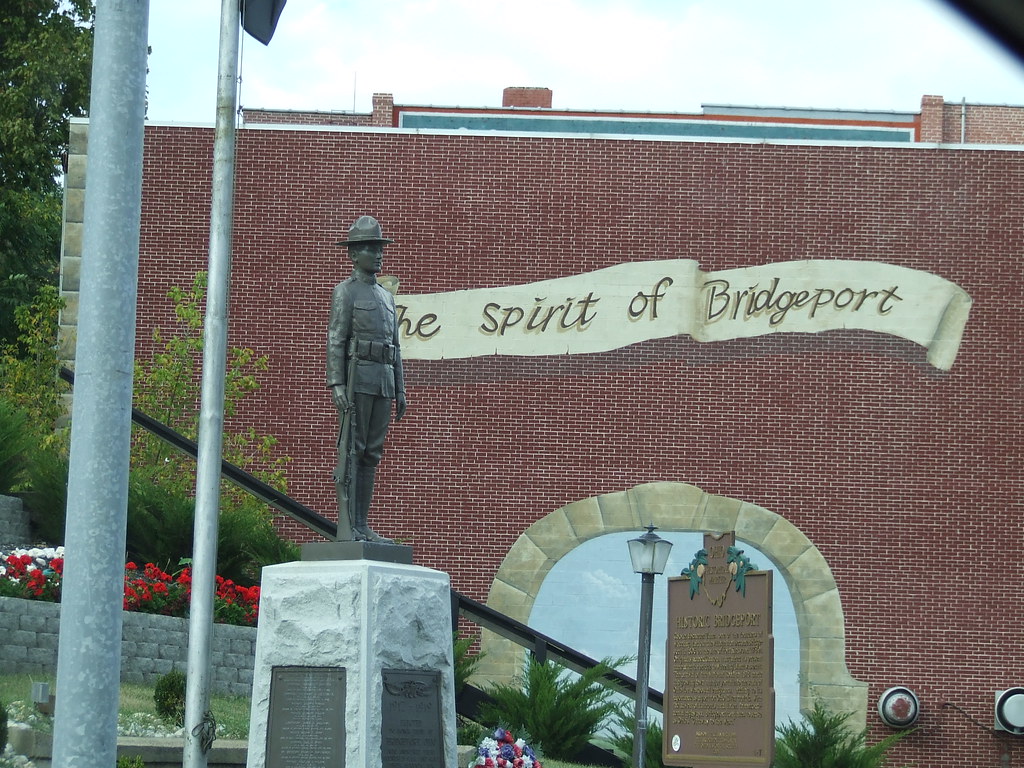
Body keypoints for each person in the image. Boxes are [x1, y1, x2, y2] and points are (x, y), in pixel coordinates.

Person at [327, 215, 407, 543]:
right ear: (353, 254)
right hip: (357, 378)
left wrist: (400, 388)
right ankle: (351, 526)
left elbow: (395, 346)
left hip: (383, 379)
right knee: (354, 450)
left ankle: (363, 523)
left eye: (379, 248)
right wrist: (336, 383)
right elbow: (336, 338)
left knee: (372, 452)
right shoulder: (345, 292)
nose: (378, 254)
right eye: (371, 249)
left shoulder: (387, 297)